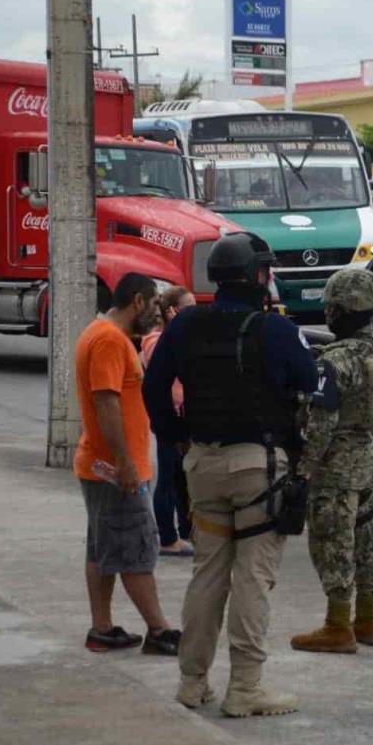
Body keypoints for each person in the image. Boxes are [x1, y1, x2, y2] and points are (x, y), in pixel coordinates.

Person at [143, 231, 317, 717]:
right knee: (252, 578)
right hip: (257, 468)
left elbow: (154, 387)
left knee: (208, 574)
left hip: (202, 465)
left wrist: (177, 436)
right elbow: (309, 383)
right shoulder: (275, 330)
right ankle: (245, 687)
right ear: (259, 275)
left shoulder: (185, 326)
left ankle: (192, 681)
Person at [291, 269, 373, 654]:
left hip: (335, 469)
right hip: (368, 460)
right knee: (365, 541)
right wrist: (366, 437)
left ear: (340, 311)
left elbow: (320, 424)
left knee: (331, 542)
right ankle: (369, 619)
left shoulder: (335, 362)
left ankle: (338, 626)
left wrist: (303, 469)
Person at [74, 272, 182, 656]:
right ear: (137, 301)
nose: (156, 312)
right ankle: (159, 630)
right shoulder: (108, 340)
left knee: (102, 550)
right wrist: (126, 465)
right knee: (137, 550)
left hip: (102, 466)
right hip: (116, 470)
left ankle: (101, 628)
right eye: (154, 304)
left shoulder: (103, 334)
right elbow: (107, 403)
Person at [141, 285, 196, 557]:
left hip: (186, 416)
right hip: (168, 417)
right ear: (172, 311)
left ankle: (186, 529)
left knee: (183, 477)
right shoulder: (154, 340)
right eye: (188, 307)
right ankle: (166, 535)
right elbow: (160, 363)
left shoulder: (185, 337)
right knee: (167, 476)